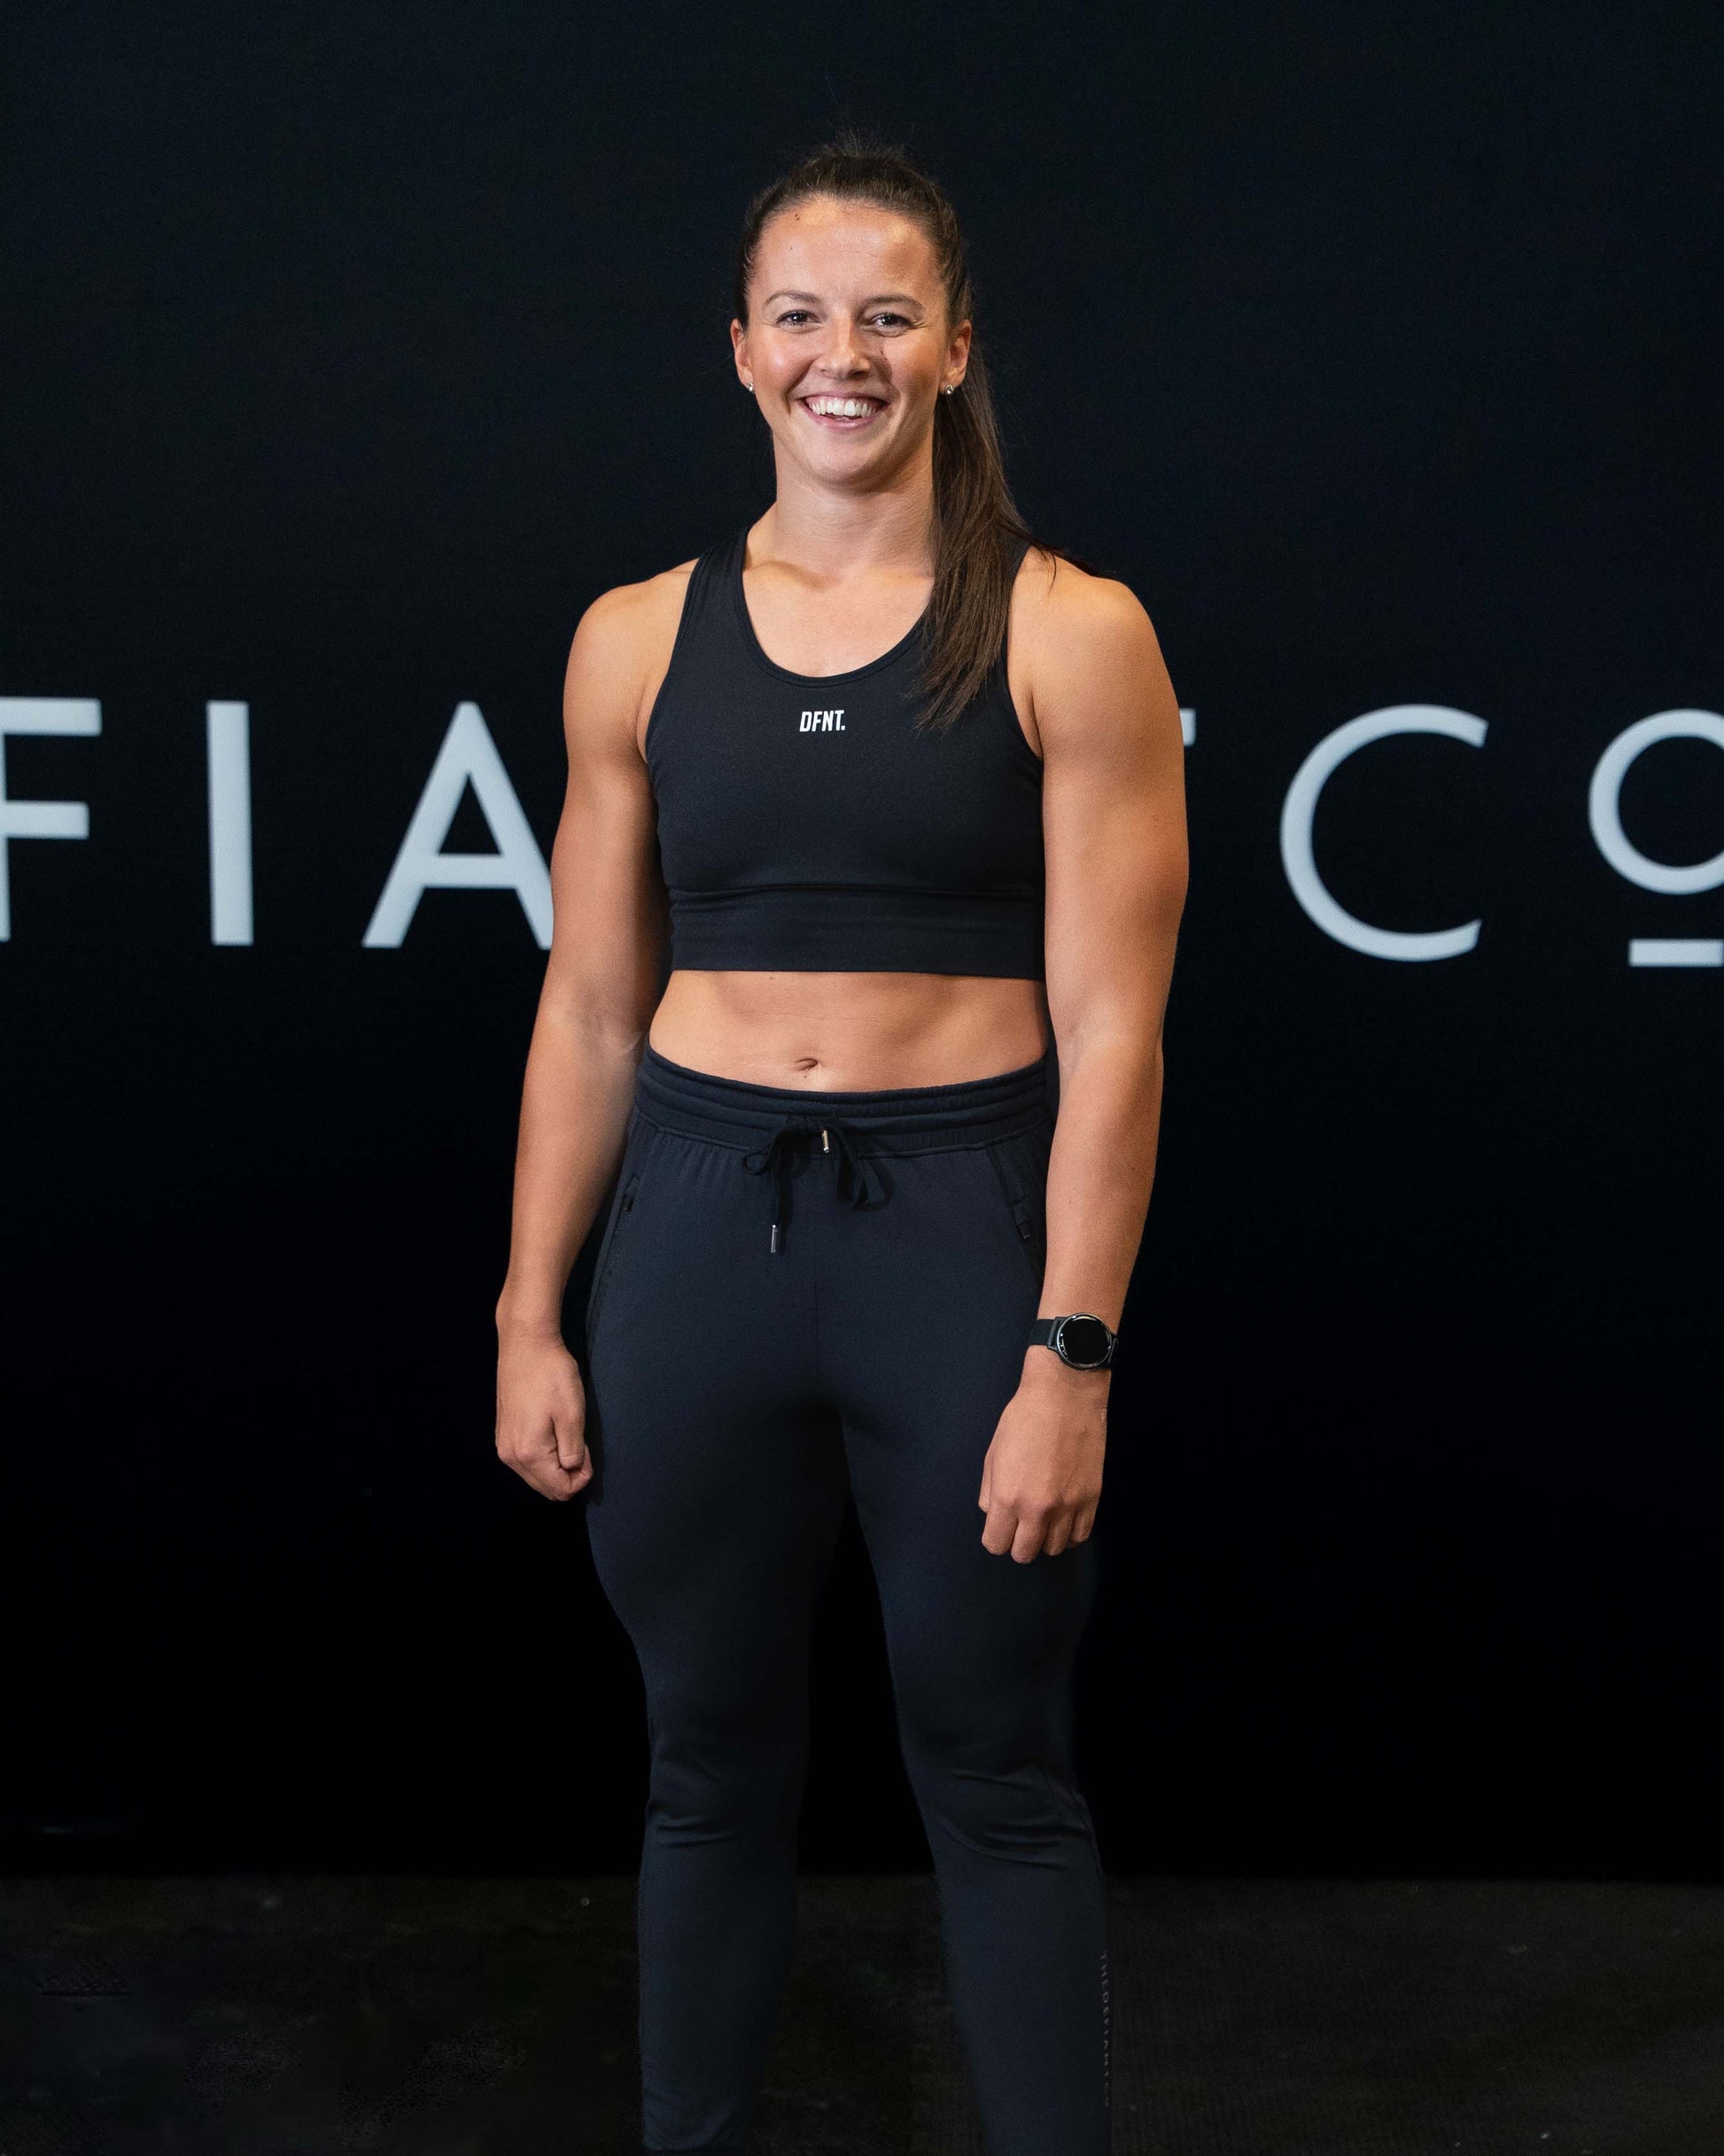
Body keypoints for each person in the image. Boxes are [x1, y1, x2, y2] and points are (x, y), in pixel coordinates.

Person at [494, 133, 1187, 2156]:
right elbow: (590, 1008)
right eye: (800, 314)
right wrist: (531, 1310)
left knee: (993, 1765)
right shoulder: (633, 635)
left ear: (955, 347)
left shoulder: (1073, 631)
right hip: (693, 1235)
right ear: (740, 349)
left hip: (960, 1239)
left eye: (887, 314)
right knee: (705, 1761)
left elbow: (1119, 1029)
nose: (842, 354)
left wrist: (1069, 1352)